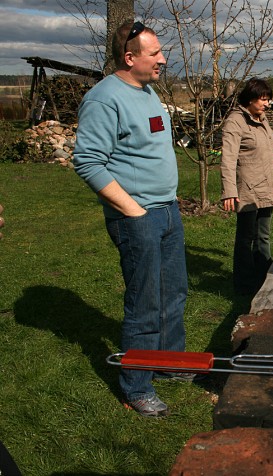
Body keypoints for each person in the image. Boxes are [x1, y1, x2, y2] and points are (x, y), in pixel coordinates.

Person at [73, 20, 193, 417]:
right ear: (130, 57)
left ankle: (169, 362)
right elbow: (88, 162)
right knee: (144, 302)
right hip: (136, 216)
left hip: (168, 211)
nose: (163, 59)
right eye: (155, 53)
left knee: (173, 293)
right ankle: (137, 387)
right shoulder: (104, 98)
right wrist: (133, 209)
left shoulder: (148, 92)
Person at [221, 77, 273, 296]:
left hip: (267, 186)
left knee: (264, 234)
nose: (266, 104)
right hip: (248, 190)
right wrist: (229, 191)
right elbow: (228, 159)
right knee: (245, 238)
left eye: (268, 100)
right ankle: (244, 282)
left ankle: (263, 274)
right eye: (262, 99)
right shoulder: (236, 122)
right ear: (249, 99)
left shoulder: (263, 119)